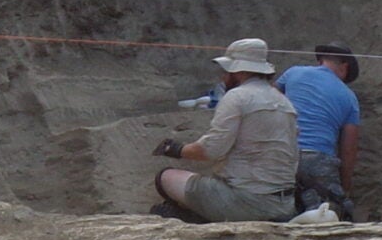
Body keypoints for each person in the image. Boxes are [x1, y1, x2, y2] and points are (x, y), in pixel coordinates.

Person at [154, 39, 299, 222]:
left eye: (227, 71)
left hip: (245, 201)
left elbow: (211, 150)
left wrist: (177, 150)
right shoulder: (284, 103)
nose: (224, 77)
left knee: (165, 177)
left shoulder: (238, 96)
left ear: (240, 71)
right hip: (284, 204)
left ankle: (198, 218)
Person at [275, 42, 361, 217]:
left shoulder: (293, 73)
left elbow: (267, 99)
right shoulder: (349, 97)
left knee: (278, 209)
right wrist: (345, 188)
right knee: (330, 213)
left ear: (321, 60)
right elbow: (348, 149)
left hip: (281, 154)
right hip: (318, 159)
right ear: (345, 67)